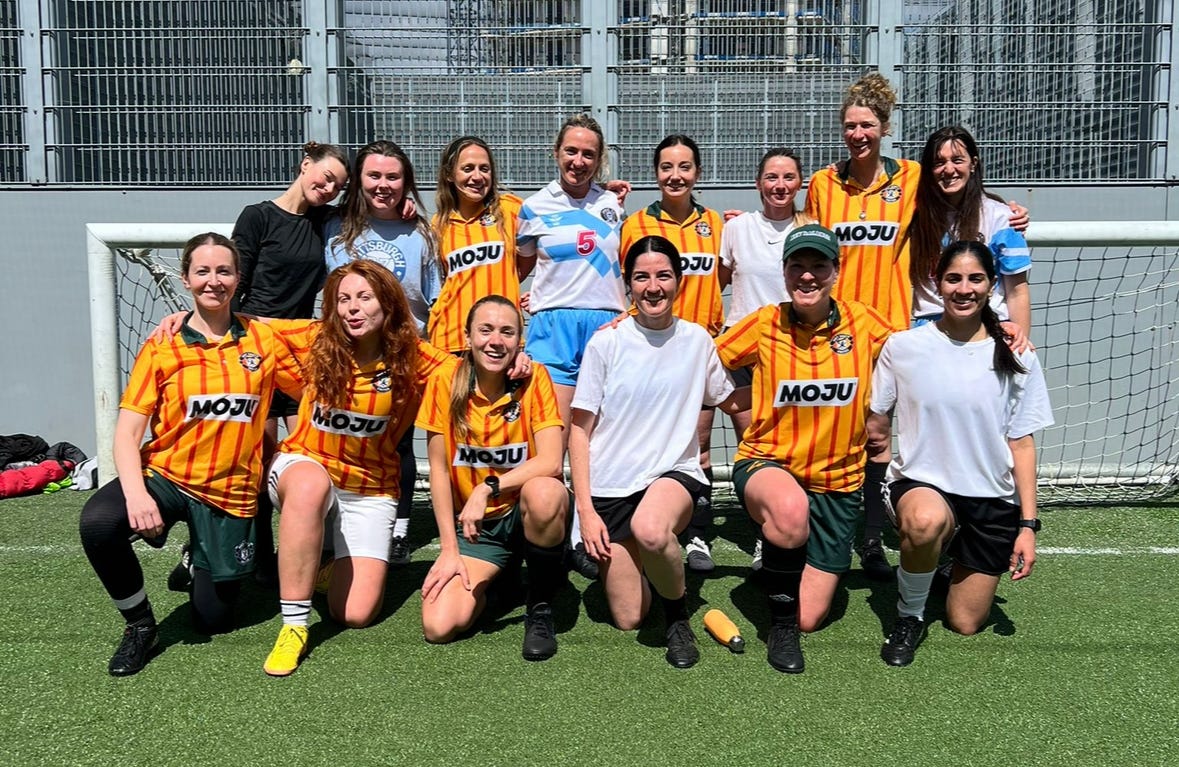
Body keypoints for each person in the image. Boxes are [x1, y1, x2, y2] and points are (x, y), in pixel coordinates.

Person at [803, 73, 1029, 581]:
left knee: (889, 434)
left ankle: (881, 535)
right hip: (837, 331)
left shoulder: (910, 177)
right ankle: (829, 530)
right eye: (850, 125)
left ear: (885, 128)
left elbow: (960, 194)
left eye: (867, 124)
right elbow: (807, 235)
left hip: (893, 330)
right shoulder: (822, 183)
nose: (858, 133)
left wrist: (1009, 210)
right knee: (839, 429)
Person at [79, 233, 303, 676]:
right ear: (185, 279)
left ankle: (195, 554)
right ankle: (140, 625)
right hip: (167, 477)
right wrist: (137, 496)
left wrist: (301, 452)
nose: (213, 281)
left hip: (229, 492)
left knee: (212, 620)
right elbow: (127, 433)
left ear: (238, 279)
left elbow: (310, 386)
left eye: (224, 271)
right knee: (99, 523)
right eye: (203, 271)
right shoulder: (163, 344)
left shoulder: (265, 338)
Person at [262, 260, 456, 677]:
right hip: (304, 466)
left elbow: (469, 372)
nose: (352, 308)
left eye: (364, 298)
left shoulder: (415, 358)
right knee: (310, 485)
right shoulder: (316, 339)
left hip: (370, 487)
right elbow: (250, 329)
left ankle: (316, 568)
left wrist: (517, 364)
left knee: (355, 612)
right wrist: (186, 320)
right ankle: (294, 627)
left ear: (388, 304)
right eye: (343, 299)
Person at [715, 224, 892, 673]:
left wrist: (994, 326)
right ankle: (780, 629)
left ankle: (782, 565)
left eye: (818, 266)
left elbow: (917, 355)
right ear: (784, 271)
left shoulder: (863, 322)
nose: (807, 276)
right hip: (768, 462)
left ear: (836, 271)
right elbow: (701, 359)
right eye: (797, 266)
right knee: (789, 510)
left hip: (838, 483)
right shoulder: (764, 322)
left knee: (809, 616)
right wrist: (733, 400)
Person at [868, 240, 1052, 667]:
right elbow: (876, 422)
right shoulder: (904, 347)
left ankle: (943, 562)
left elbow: (1022, 444)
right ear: (937, 283)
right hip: (922, 485)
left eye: (975, 279)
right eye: (953, 278)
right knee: (925, 521)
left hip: (990, 500)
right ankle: (909, 614)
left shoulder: (1018, 354)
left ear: (991, 285)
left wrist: (1027, 526)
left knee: (965, 622)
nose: (964, 289)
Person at [570, 236, 744, 668]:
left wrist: (790, 391)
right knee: (629, 618)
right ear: (628, 284)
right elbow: (578, 432)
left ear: (679, 281)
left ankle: (677, 617)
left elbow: (732, 402)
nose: (653, 287)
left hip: (672, 474)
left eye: (663, 275)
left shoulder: (697, 340)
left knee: (650, 529)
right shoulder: (606, 343)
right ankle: (649, 562)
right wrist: (585, 512)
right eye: (641, 277)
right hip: (612, 488)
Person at [417, 295, 568, 660]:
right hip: (477, 529)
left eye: (507, 332)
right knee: (439, 627)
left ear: (520, 341)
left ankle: (540, 607)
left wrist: (488, 488)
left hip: (521, 512)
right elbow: (439, 470)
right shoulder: (443, 381)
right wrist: (449, 550)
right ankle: (504, 575)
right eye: (485, 330)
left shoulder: (535, 378)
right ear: (467, 337)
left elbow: (551, 461)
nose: (495, 341)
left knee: (546, 493)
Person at [516, 113, 627, 580]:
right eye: (571, 151)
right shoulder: (532, 208)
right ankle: (549, 539)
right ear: (556, 152)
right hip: (552, 330)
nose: (579, 161)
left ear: (599, 160)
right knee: (552, 441)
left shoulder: (614, 203)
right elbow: (520, 268)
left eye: (588, 154)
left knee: (597, 440)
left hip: (605, 328)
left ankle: (586, 535)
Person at [324, 140, 443, 565]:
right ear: (358, 180)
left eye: (393, 177)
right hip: (347, 356)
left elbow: (435, 299)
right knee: (344, 441)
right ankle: (337, 526)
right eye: (374, 175)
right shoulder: (335, 229)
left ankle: (399, 529)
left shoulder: (421, 233)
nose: (383, 185)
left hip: (402, 356)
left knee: (398, 445)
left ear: (406, 182)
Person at [619, 134, 725, 573]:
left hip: (697, 354)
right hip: (650, 353)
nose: (675, 175)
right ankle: (645, 526)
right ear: (655, 172)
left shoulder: (716, 223)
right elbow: (625, 282)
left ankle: (697, 534)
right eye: (667, 167)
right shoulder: (636, 225)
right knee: (649, 444)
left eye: (684, 167)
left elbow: (726, 275)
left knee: (700, 448)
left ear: (697, 172)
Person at [906, 126, 1032, 335]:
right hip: (931, 330)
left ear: (973, 164)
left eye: (957, 160)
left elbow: (1017, 291)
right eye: (939, 162)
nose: (948, 170)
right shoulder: (912, 216)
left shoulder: (1001, 217)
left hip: (988, 328)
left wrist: (1021, 346)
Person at [428, 136, 526, 355]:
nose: (477, 176)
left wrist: (597, 192)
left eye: (484, 169)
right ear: (449, 174)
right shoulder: (438, 225)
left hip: (501, 339)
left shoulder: (510, 209)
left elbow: (556, 221)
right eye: (468, 168)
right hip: (451, 340)